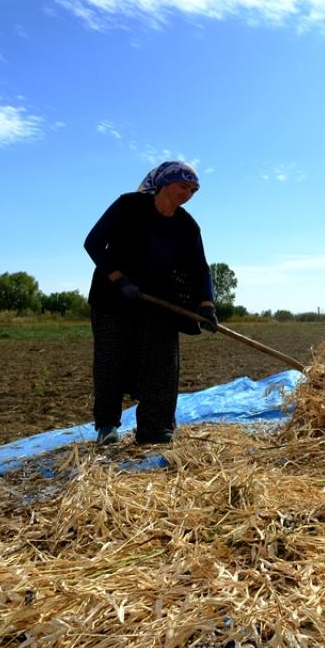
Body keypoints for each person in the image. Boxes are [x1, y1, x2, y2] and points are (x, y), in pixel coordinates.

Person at [84, 161, 216, 445]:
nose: (188, 193)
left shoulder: (186, 225)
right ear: (165, 184)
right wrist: (120, 280)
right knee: (112, 361)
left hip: (160, 303)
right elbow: (93, 243)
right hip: (114, 299)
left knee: (162, 364)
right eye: (183, 186)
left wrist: (207, 305)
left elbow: (199, 268)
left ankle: (154, 428)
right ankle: (107, 426)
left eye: (193, 190)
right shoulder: (128, 206)